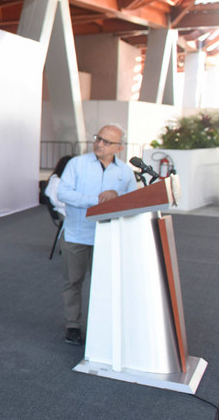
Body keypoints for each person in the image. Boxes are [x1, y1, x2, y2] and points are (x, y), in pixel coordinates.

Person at [55, 124, 137, 346]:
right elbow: (62, 193)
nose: (100, 144)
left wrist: (117, 195)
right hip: (77, 234)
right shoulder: (77, 164)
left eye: (107, 142)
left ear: (119, 148)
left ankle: (104, 326)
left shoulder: (125, 171)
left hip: (109, 235)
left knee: (106, 284)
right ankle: (72, 325)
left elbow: (133, 198)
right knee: (73, 281)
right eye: (98, 138)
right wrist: (98, 200)